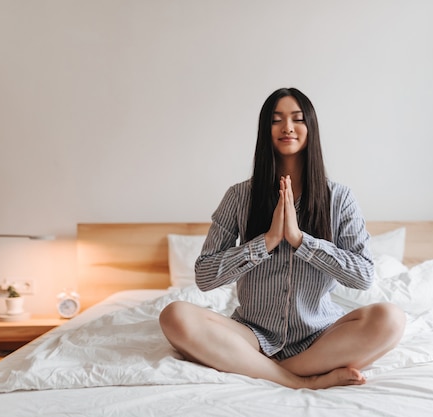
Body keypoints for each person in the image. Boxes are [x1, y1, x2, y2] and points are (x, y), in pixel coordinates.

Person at [159, 87, 405, 389]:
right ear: (266, 130)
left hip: (321, 337)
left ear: (309, 128)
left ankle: (268, 371)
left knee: (391, 319)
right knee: (175, 315)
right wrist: (267, 241)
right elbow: (205, 276)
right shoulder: (239, 196)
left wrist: (301, 241)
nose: (287, 127)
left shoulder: (339, 198)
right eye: (276, 120)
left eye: (297, 119)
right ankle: (300, 381)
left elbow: (364, 275)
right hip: (251, 335)